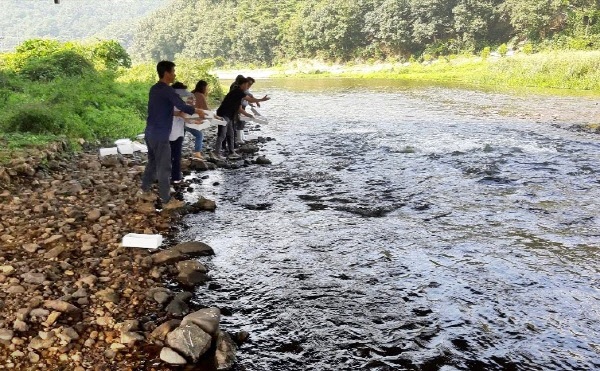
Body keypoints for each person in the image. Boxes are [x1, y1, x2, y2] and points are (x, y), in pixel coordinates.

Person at [141, 60, 206, 209]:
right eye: (173, 71)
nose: (175, 74)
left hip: (150, 133)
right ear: (166, 73)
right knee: (164, 167)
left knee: (152, 163)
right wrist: (198, 111)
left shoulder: (154, 89)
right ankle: (166, 200)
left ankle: (145, 191)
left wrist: (185, 112)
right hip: (160, 134)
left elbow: (169, 110)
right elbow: (183, 106)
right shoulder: (167, 90)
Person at [214, 77, 270, 160]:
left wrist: (249, 115)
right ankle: (216, 153)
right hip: (223, 114)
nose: (248, 87)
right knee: (222, 133)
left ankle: (231, 152)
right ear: (242, 84)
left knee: (231, 133)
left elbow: (239, 108)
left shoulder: (239, 94)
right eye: (247, 85)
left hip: (229, 115)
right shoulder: (238, 91)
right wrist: (262, 99)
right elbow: (250, 99)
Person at [170, 82, 192, 184]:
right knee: (176, 155)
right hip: (175, 132)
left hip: (170, 130)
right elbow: (183, 113)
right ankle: (176, 177)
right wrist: (193, 121)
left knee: (170, 155)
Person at [188, 80, 211, 160]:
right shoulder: (200, 96)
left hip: (184, 118)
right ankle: (197, 153)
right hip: (192, 119)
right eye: (207, 87)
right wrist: (214, 116)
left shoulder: (191, 94)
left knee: (181, 136)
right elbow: (206, 110)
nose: (207, 89)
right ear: (203, 87)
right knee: (199, 135)